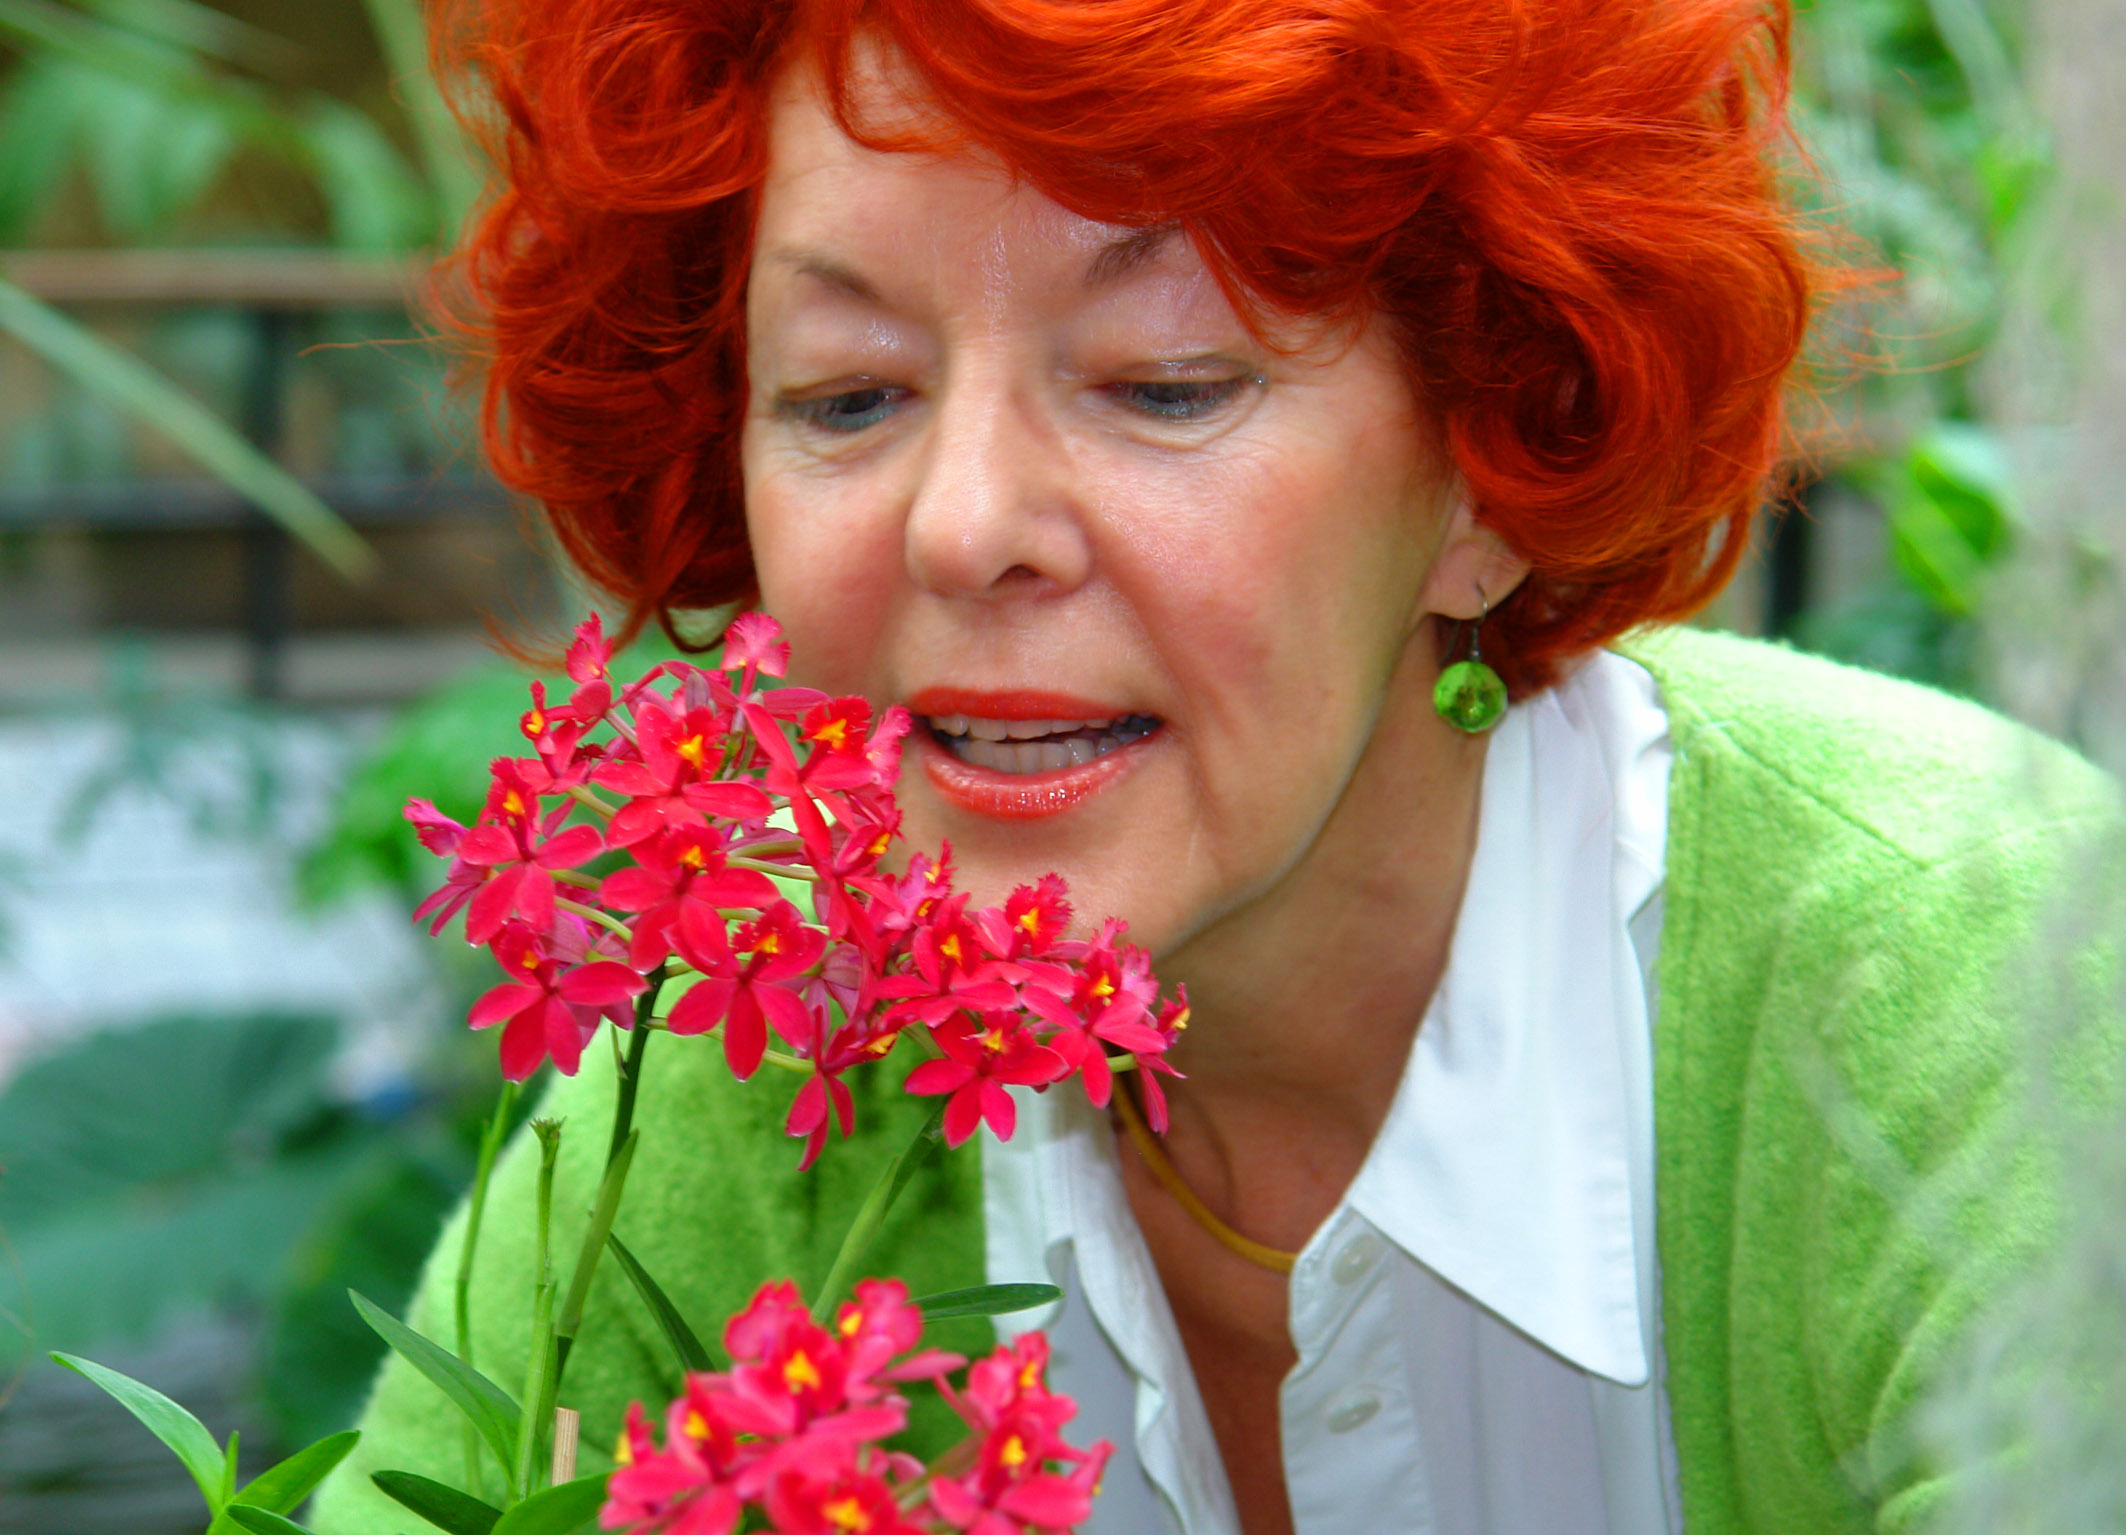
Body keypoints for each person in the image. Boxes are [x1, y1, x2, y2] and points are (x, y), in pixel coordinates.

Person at [314, 0, 2125, 1531]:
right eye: (847, 393)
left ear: (1490, 465)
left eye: (1166, 381)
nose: (962, 530)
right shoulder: (746, 1030)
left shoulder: (1989, 1003)